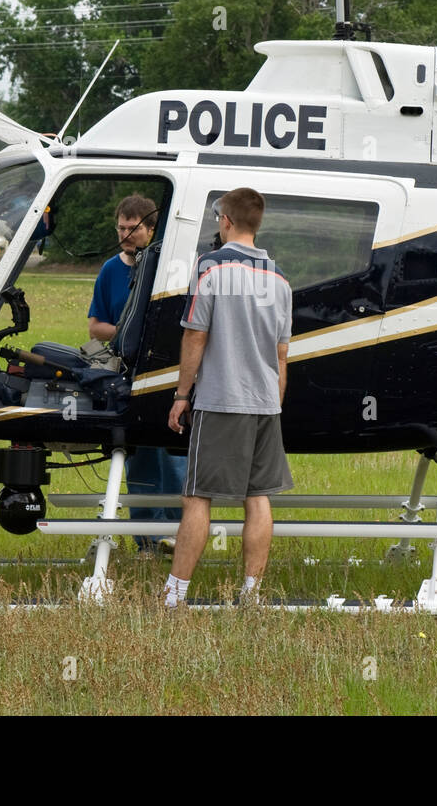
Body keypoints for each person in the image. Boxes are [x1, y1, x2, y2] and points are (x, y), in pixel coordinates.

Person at [165, 188, 293, 607]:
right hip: (265, 404)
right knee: (257, 497)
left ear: (225, 221)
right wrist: (274, 403)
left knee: (197, 496)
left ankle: (174, 594)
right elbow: (281, 354)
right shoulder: (280, 280)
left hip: (222, 400)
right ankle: (251, 593)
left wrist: (182, 395)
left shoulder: (209, 269)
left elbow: (195, 334)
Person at [87, 194, 186, 555]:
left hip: (169, 373)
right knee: (140, 458)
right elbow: (95, 326)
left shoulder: (169, 268)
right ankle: (146, 538)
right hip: (127, 375)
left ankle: (177, 534)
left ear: (151, 229)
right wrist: (129, 333)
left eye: (134, 228)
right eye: (122, 228)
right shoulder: (110, 271)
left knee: (174, 456)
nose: (126, 234)